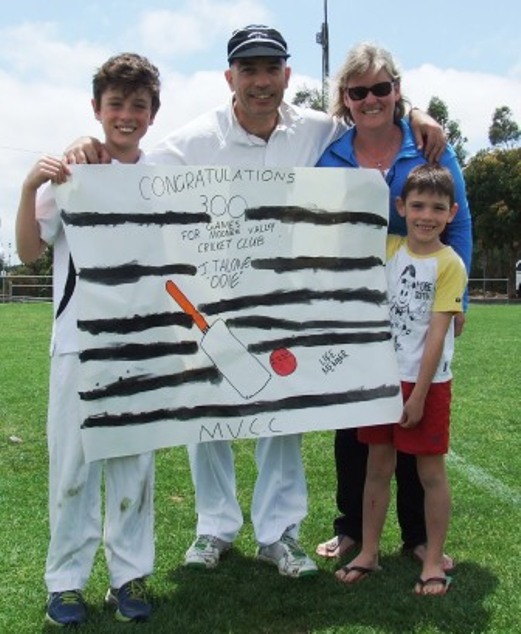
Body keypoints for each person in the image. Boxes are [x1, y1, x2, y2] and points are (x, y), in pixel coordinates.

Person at [62, 26, 445, 579]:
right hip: (206, 303)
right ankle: (213, 528)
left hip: (284, 301)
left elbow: (374, 112)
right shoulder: (193, 140)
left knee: (281, 416)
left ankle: (279, 533)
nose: (261, 82)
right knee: (205, 419)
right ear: (230, 78)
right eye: (249, 71)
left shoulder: (316, 129)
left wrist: (419, 115)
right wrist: (86, 148)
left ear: (288, 76)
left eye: (271, 70)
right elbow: (132, 172)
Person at [15, 53, 161, 626]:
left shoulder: (164, 175)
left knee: (133, 463)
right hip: (78, 343)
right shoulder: (70, 175)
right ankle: (65, 582)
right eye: (116, 105)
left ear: (153, 113)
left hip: (143, 344)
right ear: (97, 109)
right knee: (73, 466)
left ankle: (129, 576)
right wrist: (30, 184)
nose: (127, 116)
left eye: (139, 106)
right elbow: (29, 251)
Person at [315, 42, 472, 569]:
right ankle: (353, 531)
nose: (371, 99)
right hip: (354, 310)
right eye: (359, 92)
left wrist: (460, 299)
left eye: (382, 88)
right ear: (345, 99)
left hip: (418, 306)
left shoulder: (426, 145)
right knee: (354, 427)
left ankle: (415, 537)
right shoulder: (331, 155)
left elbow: (462, 220)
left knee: (412, 419)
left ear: (397, 91)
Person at [335, 163, 467, 597]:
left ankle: (431, 560)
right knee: (377, 467)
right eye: (417, 206)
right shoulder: (388, 248)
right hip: (380, 379)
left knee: (430, 472)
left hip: (425, 383)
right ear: (400, 207)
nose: (426, 215)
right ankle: (369, 551)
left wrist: (420, 395)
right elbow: (348, 224)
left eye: (437, 207)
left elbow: (436, 335)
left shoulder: (450, 265)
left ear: (451, 213)